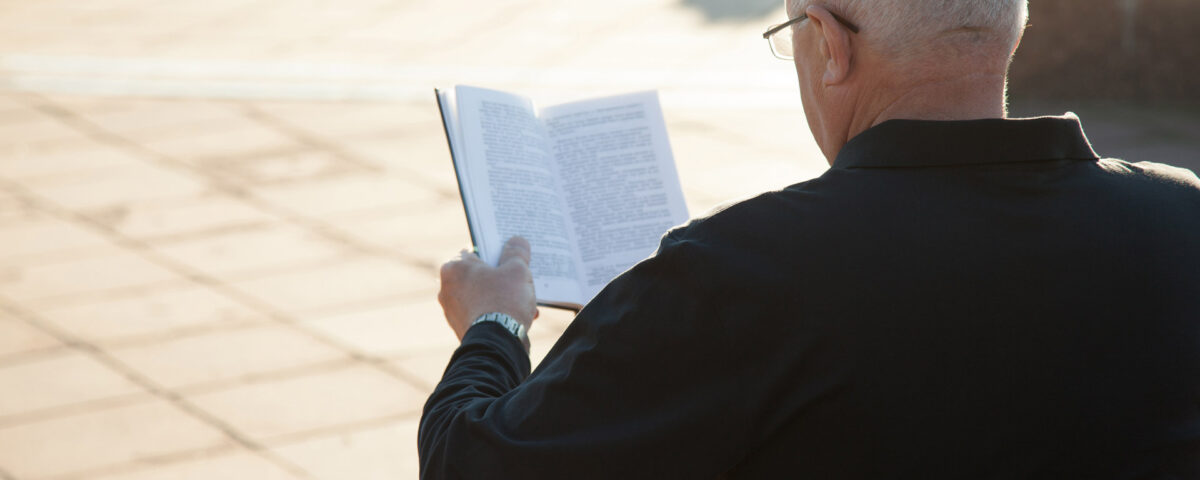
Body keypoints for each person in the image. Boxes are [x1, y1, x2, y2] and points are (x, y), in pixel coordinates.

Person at [420, 0, 1200, 478]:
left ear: (830, 43)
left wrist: (494, 324)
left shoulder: (740, 275)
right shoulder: (1180, 219)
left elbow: (475, 464)